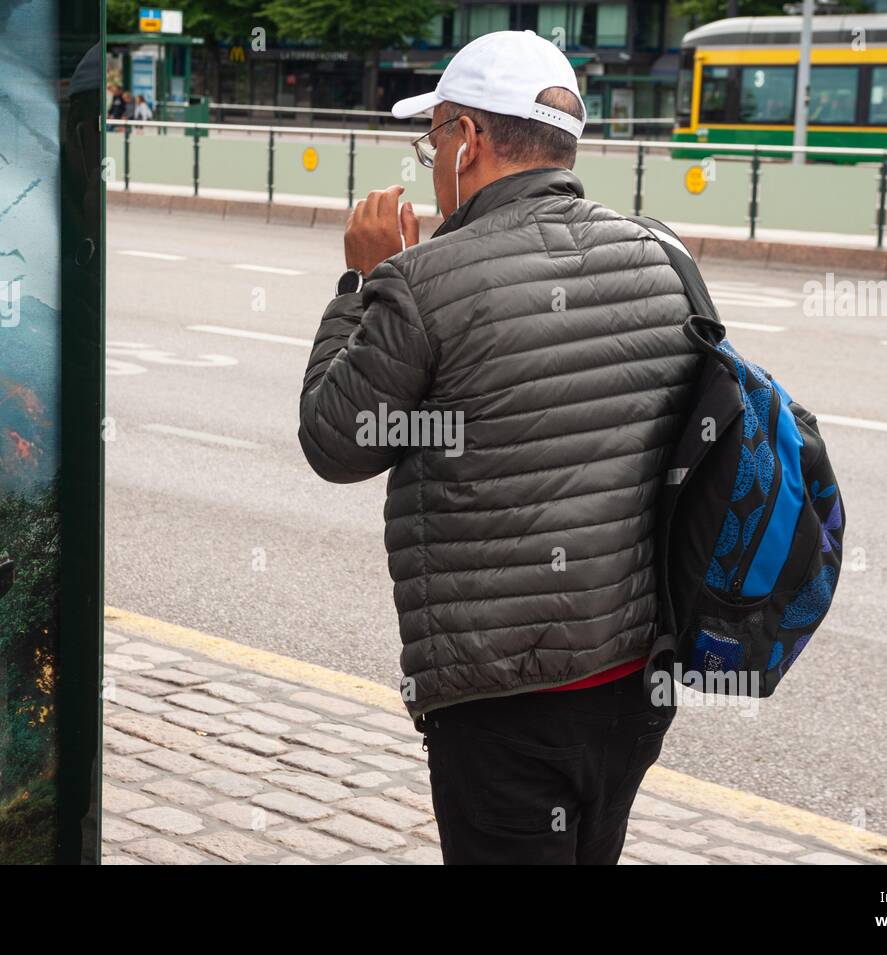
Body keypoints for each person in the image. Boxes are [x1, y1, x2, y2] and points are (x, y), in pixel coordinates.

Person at [296, 30, 702, 865]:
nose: (430, 157)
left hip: (501, 699)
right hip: (634, 681)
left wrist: (360, 284)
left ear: (468, 139)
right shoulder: (664, 258)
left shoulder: (423, 280)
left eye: (433, 137)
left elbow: (336, 439)